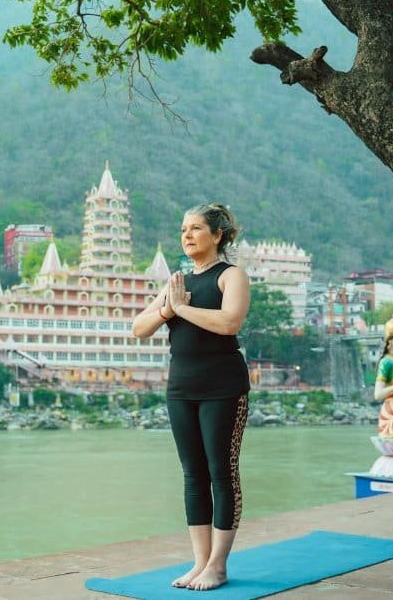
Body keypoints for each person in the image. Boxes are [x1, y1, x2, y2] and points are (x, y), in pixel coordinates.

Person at [133, 203, 251, 591]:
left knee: (222, 471)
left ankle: (218, 564)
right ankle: (200, 562)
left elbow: (229, 322)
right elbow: (139, 328)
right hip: (181, 388)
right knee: (193, 474)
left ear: (217, 235)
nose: (187, 235)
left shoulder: (231, 276)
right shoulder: (177, 282)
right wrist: (169, 308)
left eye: (196, 228)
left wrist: (183, 307)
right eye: (183, 229)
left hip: (223, 386)